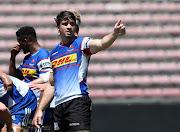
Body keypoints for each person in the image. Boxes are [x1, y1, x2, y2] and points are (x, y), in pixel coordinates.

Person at [31, 10, 126, 132]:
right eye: (65, 24)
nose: (69, 26)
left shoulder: (81, 43)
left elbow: (101, 43)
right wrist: (40, 109)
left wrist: (114, 34)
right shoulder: (53, 53)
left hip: (77, 102)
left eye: (72, 24)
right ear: (58, 27)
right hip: (58, 107)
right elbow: (51, 83)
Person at [9, 26, 52, 132]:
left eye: (20, 42)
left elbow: (47, 79)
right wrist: (12, 57)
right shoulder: (27, 58)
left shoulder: (43, 55)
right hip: (28, 103)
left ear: (25, 41)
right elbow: (15, 78)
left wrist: (27, 85)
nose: (19, 46)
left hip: (39, 103)